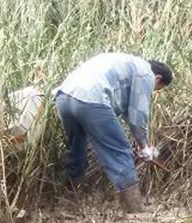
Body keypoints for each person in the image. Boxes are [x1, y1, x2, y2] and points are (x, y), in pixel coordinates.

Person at [53, 52, 172, 212]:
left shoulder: (126, 62)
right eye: (156, 89)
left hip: (64, 97)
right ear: (157, 78)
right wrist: (144, 146)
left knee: (77, 149)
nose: (152, 91)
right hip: (91, 99)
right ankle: (135, 209)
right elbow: (137, 115)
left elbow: (120, 110)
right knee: (121, 154)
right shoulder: (146, 74)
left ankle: (71, 200)